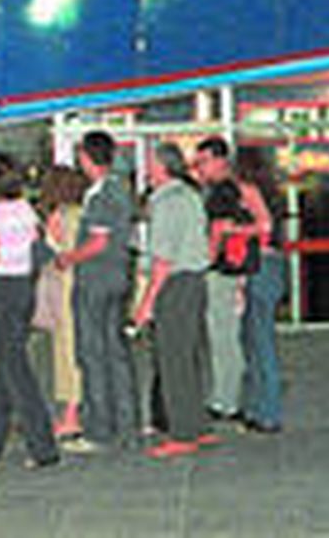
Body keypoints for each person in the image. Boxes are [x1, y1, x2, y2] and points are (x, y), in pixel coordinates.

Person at [0, 154, 59, 468]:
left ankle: (43, 446)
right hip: (24, 288)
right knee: (5, 364)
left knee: (16, 369)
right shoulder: (25, 209)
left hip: (0, 290)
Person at [53, 129, 137, 454]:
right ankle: (126, 425)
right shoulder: (120, 190)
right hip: (117, 278)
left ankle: (99, 428)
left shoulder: (101, 195)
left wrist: (68, 257)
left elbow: (99, 242)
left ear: (87, 157)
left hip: (96, 280)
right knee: (116, 353)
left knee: (92, 353)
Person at [132, 146, 213, 459]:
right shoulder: (191, 196)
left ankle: (182, 433)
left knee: (172, 360)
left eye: (151, 164)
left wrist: (146, 303)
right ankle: (198, 425)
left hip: (174, 285)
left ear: (164, 167)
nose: (147, 170)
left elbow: (163, 260)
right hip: (195, 281)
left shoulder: (165, 202)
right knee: (189, 355)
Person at [192, 136, 251, 423]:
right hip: (231, 270)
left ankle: (225, 401)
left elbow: (219, 228)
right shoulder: (232, 188)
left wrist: (206, 261)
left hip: (221, 271)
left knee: (222, 337)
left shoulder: (221, 192)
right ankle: (229, 396)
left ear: (220, 160)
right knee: (226, 335)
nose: (199, 168)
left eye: (203, 161)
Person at [236, 148, 287, 434]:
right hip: (272, 265)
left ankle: (267, 412)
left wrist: (234, 230)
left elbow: (263, 225)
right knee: (258, 338)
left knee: (260, 342)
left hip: (260, 266)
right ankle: (259, 409)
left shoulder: (248, 189)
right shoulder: (271, 190)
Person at [36, 164, 87, 439]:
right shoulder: (83, 212)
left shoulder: (59, 216)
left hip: (63, 285)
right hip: (82, 285)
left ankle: (70, 415)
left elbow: (55, 249)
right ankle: (79, 410)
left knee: (66, 350)